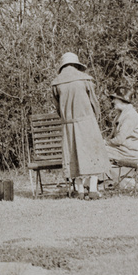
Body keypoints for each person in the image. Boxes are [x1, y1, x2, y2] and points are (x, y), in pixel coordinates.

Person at [52, 52, 110, 200]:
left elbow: (58, 108)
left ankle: (79, 190)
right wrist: (93, 119)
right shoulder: (85, 79)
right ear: (76, 65)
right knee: (93, 153)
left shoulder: (56, 83)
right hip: (87, 122)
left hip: (68, 124)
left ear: (62, 66)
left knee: (73, 154)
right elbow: (94, 103)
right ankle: (92, 189)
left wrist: (67, 119)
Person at [105, 87, 138, 180]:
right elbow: (112, 135)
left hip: (132, 154)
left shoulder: (130, 116)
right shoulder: (121, 114)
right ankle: (96, 180)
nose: (112, 102)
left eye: (114, 99)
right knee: (97, 149)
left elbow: (119, 140)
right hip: (124, 150)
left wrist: (105, 143)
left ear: (121, 100)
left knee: (99, 151)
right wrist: (104, 141)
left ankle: (95, 182)